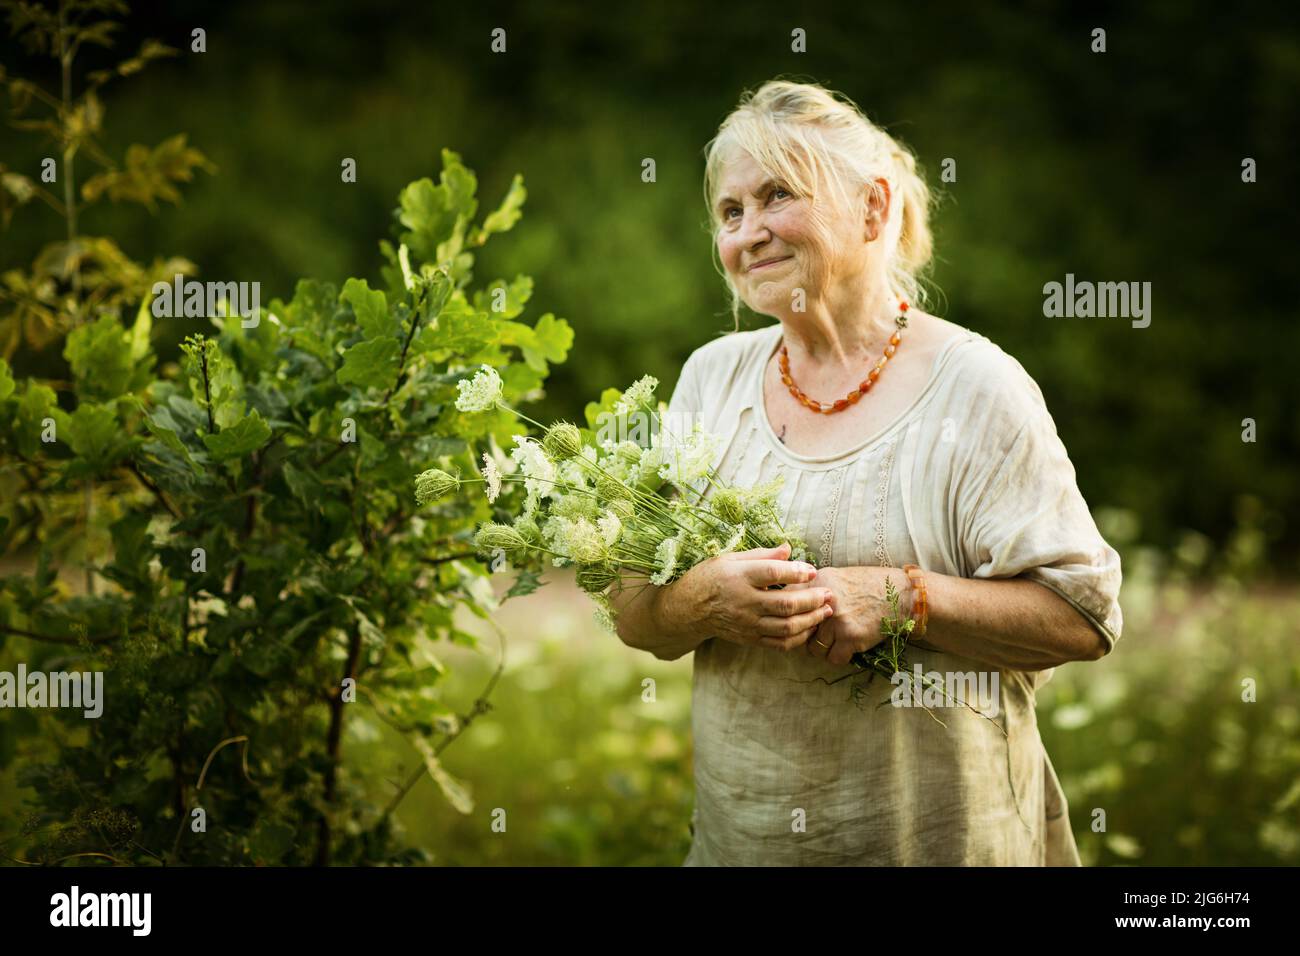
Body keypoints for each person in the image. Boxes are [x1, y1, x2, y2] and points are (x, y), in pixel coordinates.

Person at [609, 79, 1123, 866]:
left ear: (874, 209)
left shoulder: (976, 387)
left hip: (941, 844)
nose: (749, 233)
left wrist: (902, 599)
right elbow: (633, 613)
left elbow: (1084, 618)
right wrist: (703, 599)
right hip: (744, 846)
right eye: (730, 212)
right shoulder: (709, 379)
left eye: (777, 195)